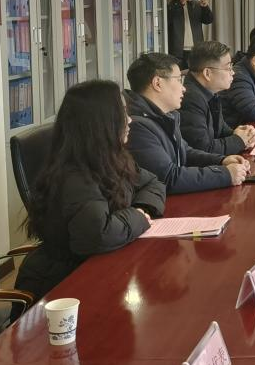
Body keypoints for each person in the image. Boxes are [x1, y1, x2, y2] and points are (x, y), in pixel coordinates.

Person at [16, 80, 167, 300]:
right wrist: (136, 216)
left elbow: (153, 182)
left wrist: (143, 207)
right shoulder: (75, 175)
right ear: (101, 122)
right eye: (122, 113)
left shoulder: (111, 158)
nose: (129, 120)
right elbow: (97, 236)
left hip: (100, 266)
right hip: (62, 286)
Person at [125, 53, 250, 193]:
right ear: (158, 83)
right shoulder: (136, 127)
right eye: (179, 80)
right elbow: (168, 178)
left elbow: (185, 152)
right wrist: (225, 174)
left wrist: (222, 161)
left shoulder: (166, 115)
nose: (183, 88)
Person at [180, 42, 255, 158]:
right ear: (207, 73)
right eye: (228, 68)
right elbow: (203, 149)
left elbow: (220, 129)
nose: (233, 72)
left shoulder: (209, 91)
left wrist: (241, 133)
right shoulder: (190, 99)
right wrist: (239, 140)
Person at [166, 0, 214, 67]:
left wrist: (205, 7)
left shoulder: (196, 4)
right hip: (177, 52)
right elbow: (167, 20)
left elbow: (208, 20)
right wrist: (180, 4)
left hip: (196, 50)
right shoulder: (170, 4)